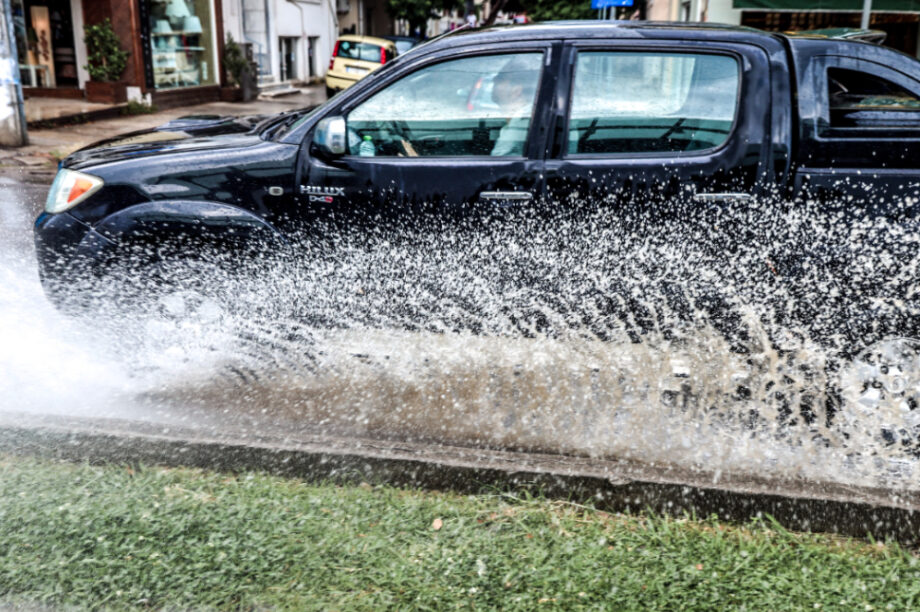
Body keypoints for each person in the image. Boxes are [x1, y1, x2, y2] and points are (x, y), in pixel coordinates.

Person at [490, 57, 537, 156]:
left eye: (500, 78)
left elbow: (497, 165)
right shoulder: (519, 121)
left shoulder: (521, 126)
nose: (493, 80)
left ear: (516, 90)